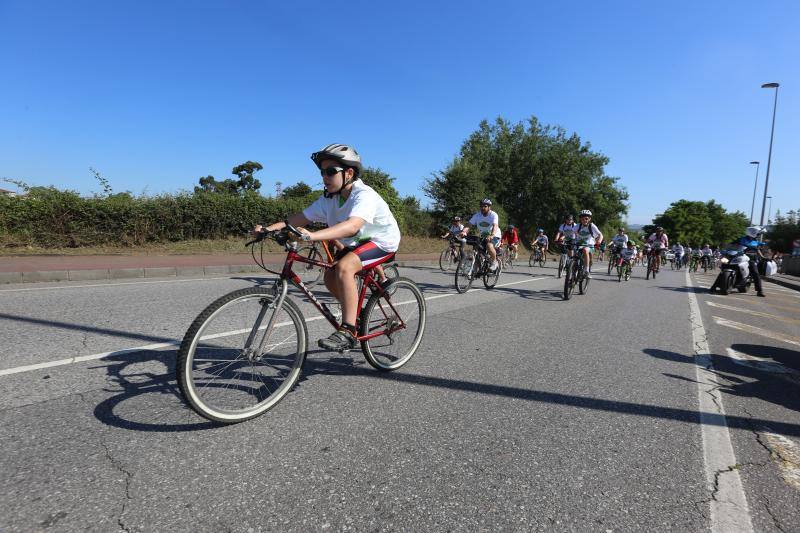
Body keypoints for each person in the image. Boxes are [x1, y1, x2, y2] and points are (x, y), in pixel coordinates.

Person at [254, 143, 400, 352]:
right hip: (358, 242)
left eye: (331, 172)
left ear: (349, 173)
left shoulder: (364, 195)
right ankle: (356, 313)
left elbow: (352, 226)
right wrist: (267, 229)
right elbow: (297, 219)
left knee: (344, 268)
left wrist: (312, 235)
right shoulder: (329, 199)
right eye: (322, 172)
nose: (324, 177)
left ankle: (348, 330)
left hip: (382, 240)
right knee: (330, 276)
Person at [710, 227, 767, 297]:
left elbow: (758, 250)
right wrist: (725, 250)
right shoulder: (741, 239)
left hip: (750, 259)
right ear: (753, 233)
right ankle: (713, 287)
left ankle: (760, 291)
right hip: (737, 256)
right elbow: (731, 245)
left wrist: (763, 257)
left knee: (755, 272)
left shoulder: (756, 242)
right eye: (758, 234)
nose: (758, 235)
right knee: (724, 269)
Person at [461, 198, 501, 271]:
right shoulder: (477, 215)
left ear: (489, 207)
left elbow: (495, 226)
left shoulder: (493, 215)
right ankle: (475, 269)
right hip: (484, 236)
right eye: (481, 206)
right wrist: (464, 231)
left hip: (495, 235)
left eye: (485, 206)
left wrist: (492, 235)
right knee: (476, 249)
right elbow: (469, 225)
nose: (483, 208)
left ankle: (494, 262)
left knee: (489, 245)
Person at [575, 210, 603, 278]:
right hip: (579, 244)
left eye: (586, 218)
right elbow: (570, 233)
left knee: (585, 250)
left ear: (589, 219)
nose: (584, 220)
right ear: (580, 219)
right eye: (582, 218)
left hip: (589, 244)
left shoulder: (592, 226)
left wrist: (599, 241)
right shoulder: (578, 226)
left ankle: (586, 271)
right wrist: (562, 238)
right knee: (574, 254)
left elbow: (600, 235)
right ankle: (572, 268)